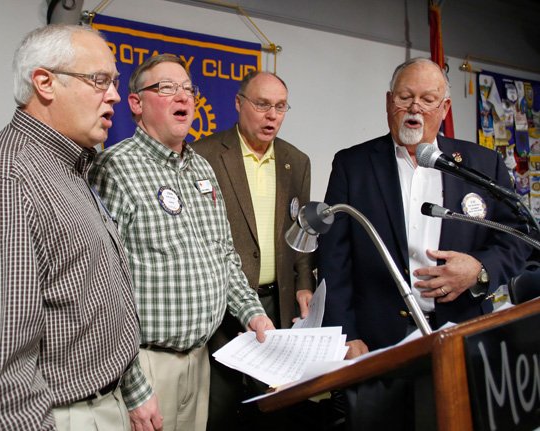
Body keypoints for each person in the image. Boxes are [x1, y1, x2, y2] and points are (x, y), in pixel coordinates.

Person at [0, 24, 142, 430]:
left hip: (103, 401)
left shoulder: (69, 167)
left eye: (115, 82)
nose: (116, 96)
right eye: (99, 80)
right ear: (45, 83)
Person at [318, 57, 530, 430]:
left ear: (444, 108)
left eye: (427, 99)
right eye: (405, 97)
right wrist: (345, 336)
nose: (414, 108)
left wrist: (480, 270)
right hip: (379, 346)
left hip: (462, 340)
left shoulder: (482, 164)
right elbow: (335, 261)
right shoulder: (352, 165)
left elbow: (516, 237)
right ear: (388, 102)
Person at [88, 54, 274, 431]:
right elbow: (102, 288)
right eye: (167, 88)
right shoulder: (114, 168)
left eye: (188, 89)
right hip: (146, 365)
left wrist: (253, 313)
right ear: (137, 103)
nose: (183, 98)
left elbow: (223, 254)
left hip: (200, 362)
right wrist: (134, 385)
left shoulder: (202, 167)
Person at [192, 71, 316, 430]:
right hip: (221, 308)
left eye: (280, 107)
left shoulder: (297, 161)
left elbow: (303, 231)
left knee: (277, 409)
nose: (271, 115)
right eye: (262, 104)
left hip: (278, 304)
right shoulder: (205, 154)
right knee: (220, 410)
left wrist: (305, 281)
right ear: (238, 103)